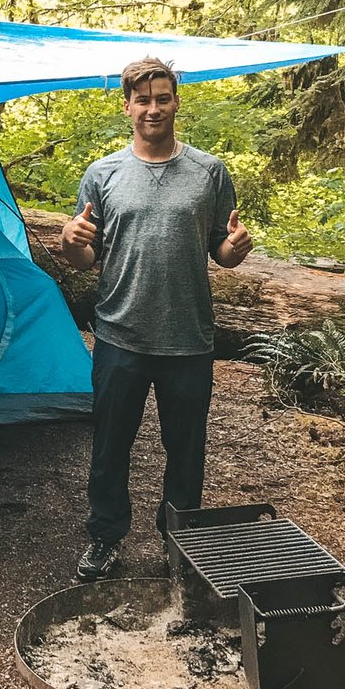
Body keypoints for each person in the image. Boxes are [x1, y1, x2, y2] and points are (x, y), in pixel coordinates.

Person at [58, 57, 253, 581]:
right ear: (128, 107)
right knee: (109, 445)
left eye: (162, 98)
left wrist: (235, 248)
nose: (153, 108)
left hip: (188, 338)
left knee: (186, 450)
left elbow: (222, 251)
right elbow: (84, 256)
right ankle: (104, 537)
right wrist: (68, 244)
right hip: (120, 333)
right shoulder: (103, 174)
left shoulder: (209, 173)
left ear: (175, 103)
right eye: (142, 100)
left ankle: (181, 543)